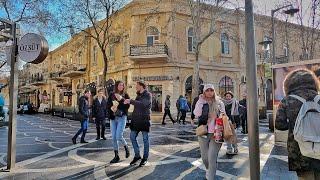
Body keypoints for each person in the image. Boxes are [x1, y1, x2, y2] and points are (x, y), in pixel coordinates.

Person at [275, 69, 320, 180]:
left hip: (299, 149)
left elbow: (279, 125)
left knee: (305, 177)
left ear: (289, 83)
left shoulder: (287, 100)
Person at [193, 84, 225, 180]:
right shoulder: (201, 101)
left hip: (217, 133)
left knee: (211, 157)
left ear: (214, 91)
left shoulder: (219, 102)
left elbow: (224, 115)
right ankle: (210, 168)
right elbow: (196, 114)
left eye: (211, 90)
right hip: (203, 132)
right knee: (205, 158)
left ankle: (210, 176)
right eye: (207, 90)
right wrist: (201, 101)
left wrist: (221, 114)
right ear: (204, 92)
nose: (209, 92)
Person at [124, 80, 151, 167]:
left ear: (141, 86)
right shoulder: (138, 95)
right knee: (132, 137)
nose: (136, 87)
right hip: (136, 121)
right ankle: (137, 155)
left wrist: (130, 101)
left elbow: (143, 104)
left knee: (145, 140)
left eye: (137, 85)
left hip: (144, 120)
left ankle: (145, 158)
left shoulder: (148, 95)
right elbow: (137, 107)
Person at [107, 81, 131, 164]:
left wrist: (121, 99)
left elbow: (127, 106)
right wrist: (111, 108)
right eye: (120, 85)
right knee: (113, 137)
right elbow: (108, 105)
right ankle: (116, 156)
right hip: (113, 118)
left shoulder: (126, 95)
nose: (121, 86)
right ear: (116, 86)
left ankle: (126, 147)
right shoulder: (111, 94)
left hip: (122, 117)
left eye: (122, 85)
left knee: (118, 136)